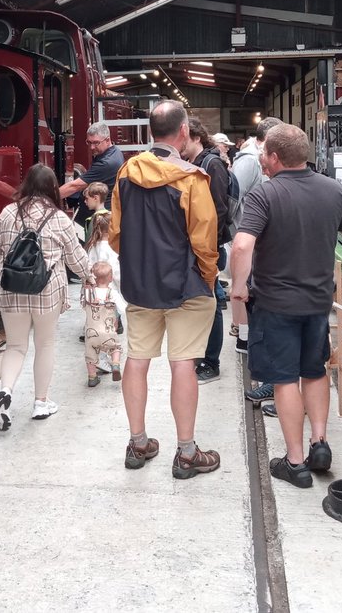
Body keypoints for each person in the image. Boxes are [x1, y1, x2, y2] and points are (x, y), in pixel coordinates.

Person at [229, 123, 342, 488]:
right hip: (318, 302)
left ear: (274, 157)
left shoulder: (265, 195)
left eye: (264, 155)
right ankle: (319, 442)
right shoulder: (333, 190)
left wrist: (239, 288)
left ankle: (294, 462)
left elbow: (242, 246)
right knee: (316, 370)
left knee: (284, 379)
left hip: (276, 304)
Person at [111, 99, 221, 479]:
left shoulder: (127, 172)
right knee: (183, 365)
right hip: (185, 285)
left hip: (141, 286)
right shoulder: (191, 179)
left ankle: (138, 442)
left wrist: (139, 264)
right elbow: (204, 241)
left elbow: (116, 233)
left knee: (136, 360)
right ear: (184, 132)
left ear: (149, 133)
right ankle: (187, 453)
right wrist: (208, 276)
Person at [0, 164, 90, 431]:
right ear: (52, 189)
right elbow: (75, 258)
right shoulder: (58, 218)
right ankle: (40, 403)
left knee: (15, 347)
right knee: (45, 345)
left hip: (11, 290)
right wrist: (91, 276)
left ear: (27, 185)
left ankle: (6, 391)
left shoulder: (8, 212)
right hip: (47, 292)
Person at [230, 116, 284, 409]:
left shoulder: (274, 178)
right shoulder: (251, 162)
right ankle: (274, 383)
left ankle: (281, 389)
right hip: (259, 247)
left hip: (276, 261)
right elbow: (234, 195)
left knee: (281, 331)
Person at [184, 118, 231, 384]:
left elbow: (218, 211)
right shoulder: (198, 162)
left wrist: (208, 248)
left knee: (211, 304)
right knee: (203, 302)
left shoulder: (211, 164)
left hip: (207, 248)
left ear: (196, 138)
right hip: (198, 246)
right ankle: (202, 356)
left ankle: (211, 362)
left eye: (183, 139)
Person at [60, 122, 123, 210]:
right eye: (89, 142)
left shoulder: (105, 164)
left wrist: (48, 199)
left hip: (102, 212)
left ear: (107, 140)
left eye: (96, 143)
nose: (92, 147)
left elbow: (75, 186)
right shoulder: (116, 151)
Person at [82, 261, 124, 387]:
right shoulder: (112, 294)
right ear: (110, 278)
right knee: (115, 348)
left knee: (90, 355)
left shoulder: (89, 294)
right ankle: (115, 364)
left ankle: (92, 377)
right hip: (108, 331)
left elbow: (83, 306)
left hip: (91, 334)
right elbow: (123, 308)